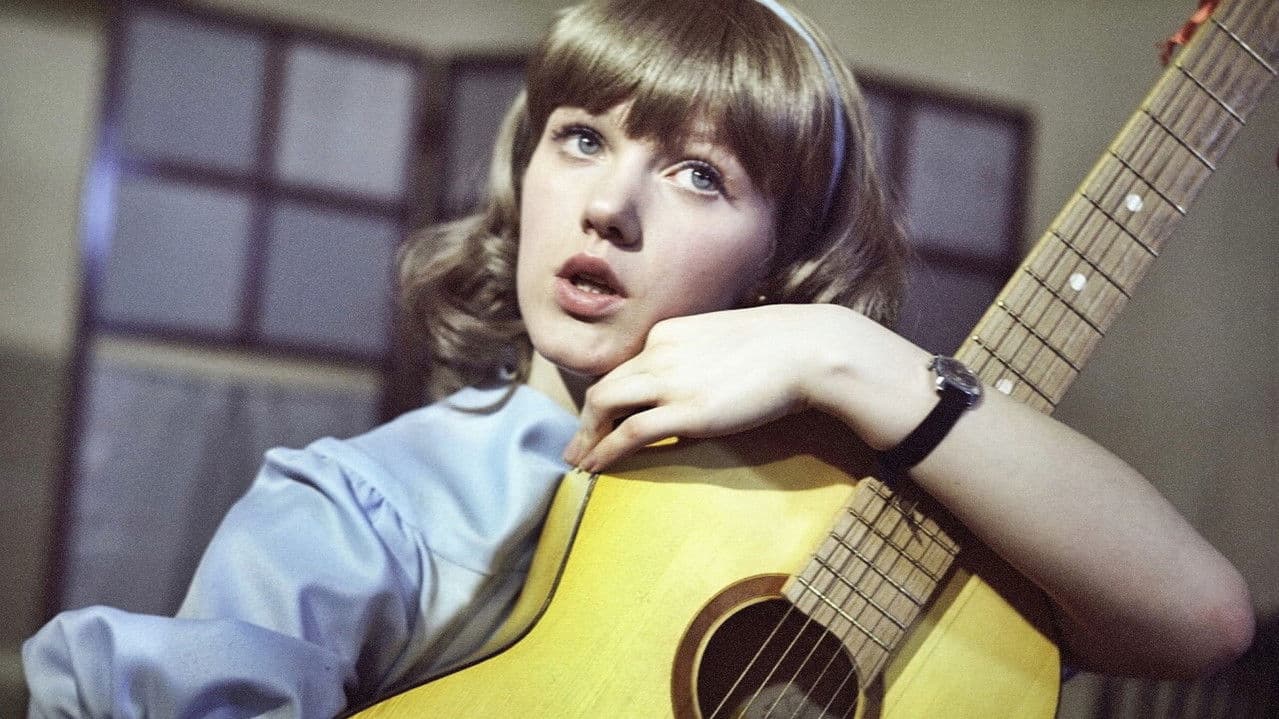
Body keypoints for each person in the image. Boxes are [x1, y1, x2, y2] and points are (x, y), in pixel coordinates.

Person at [24, 0, 1254, 716]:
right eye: (579, 138)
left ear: (781, 253)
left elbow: (1200, 619)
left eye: (698, 173)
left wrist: (850, 358)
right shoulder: (362, 506)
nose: (609, 206)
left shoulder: (858, 513)